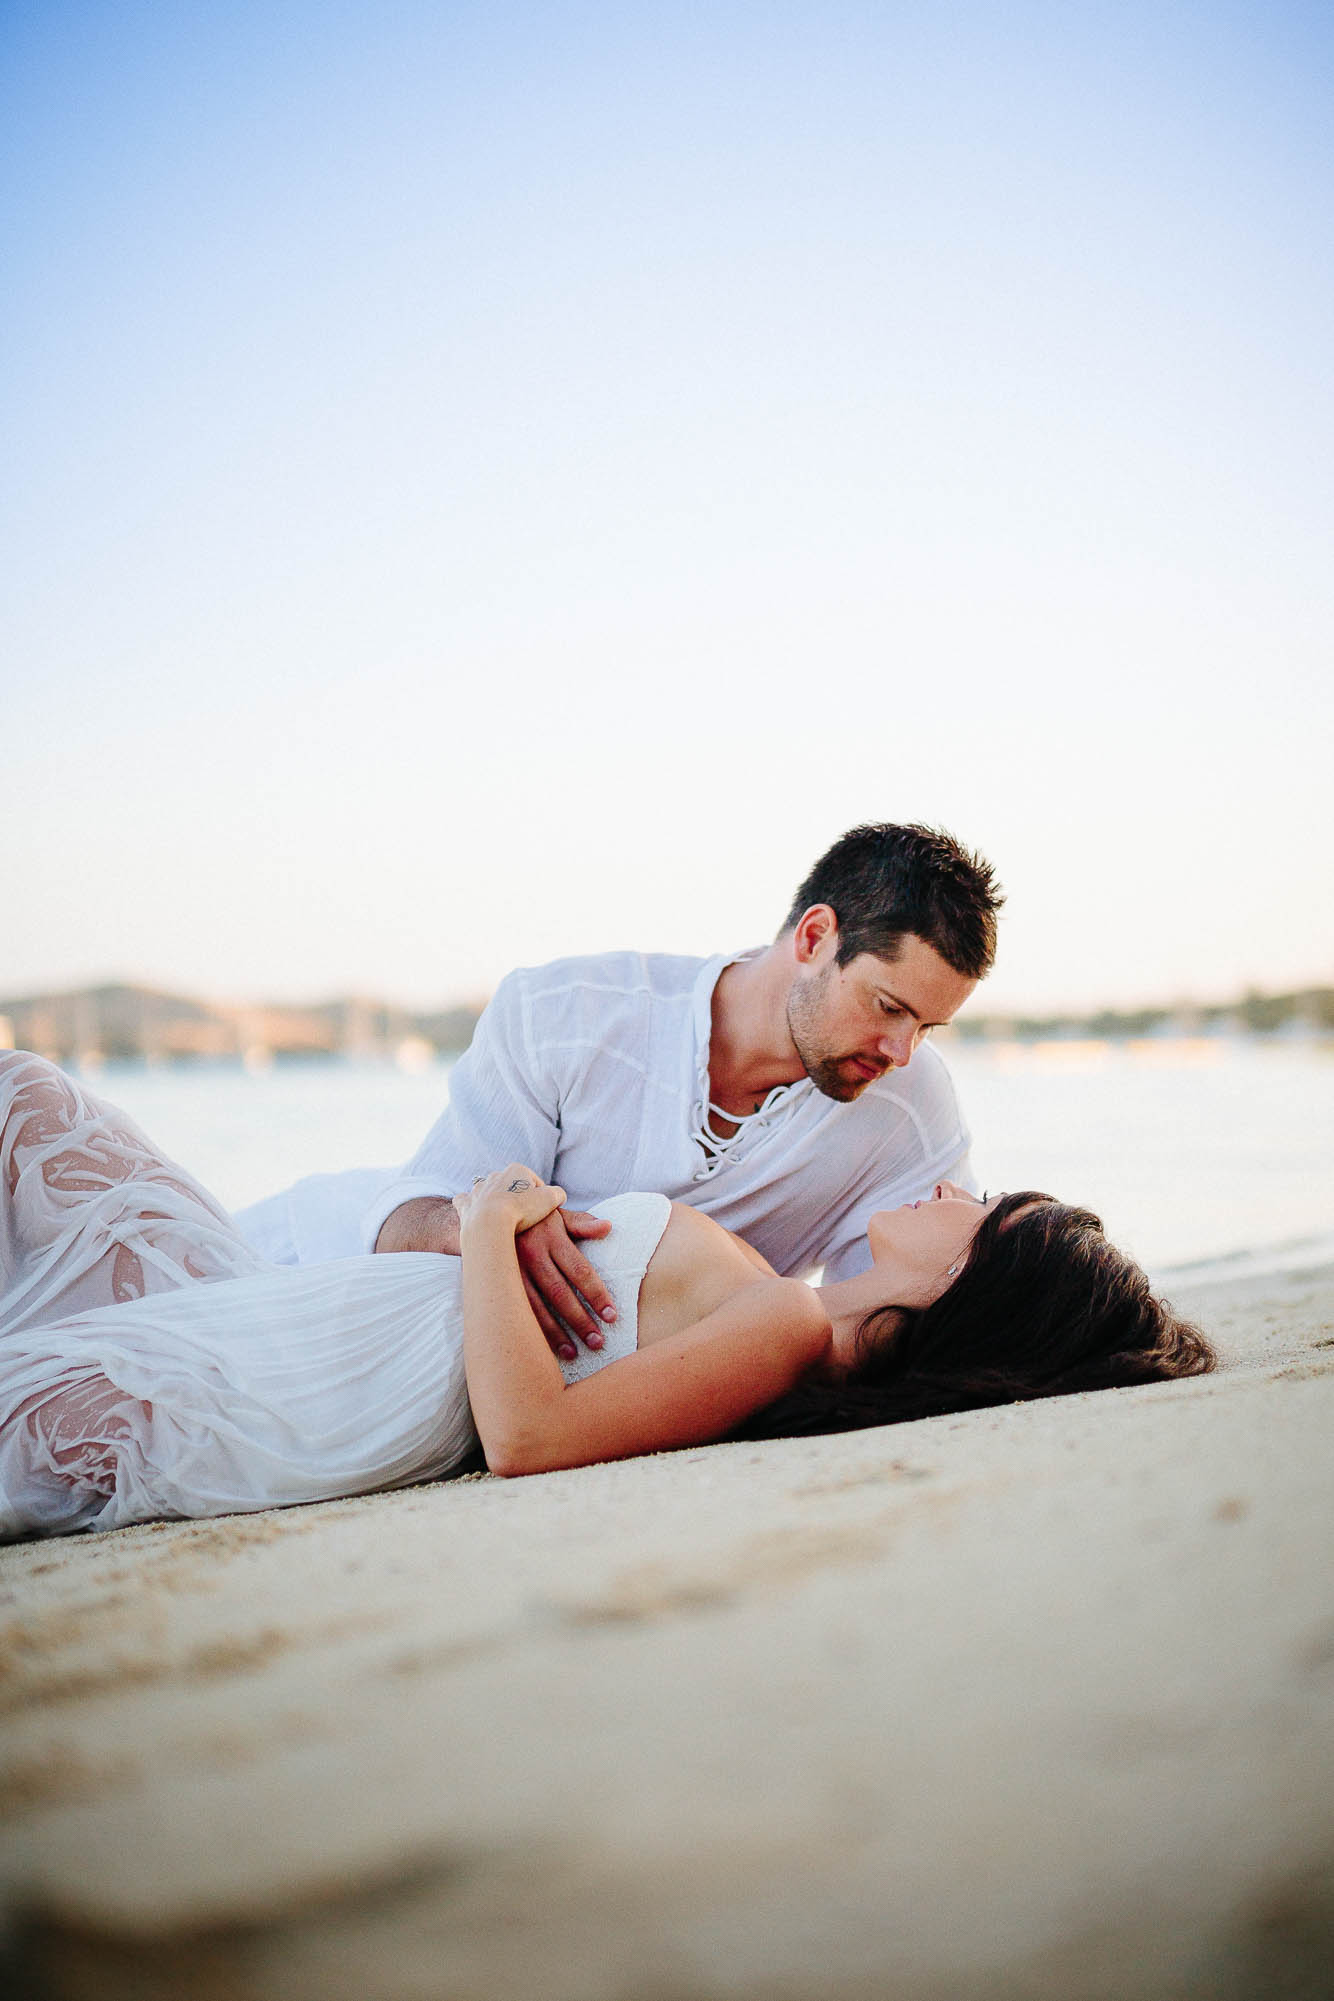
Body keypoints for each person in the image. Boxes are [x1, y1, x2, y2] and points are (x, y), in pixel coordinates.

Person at [0, 1052, 1214, 1539]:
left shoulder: (790, 1328)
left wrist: (489, 1221)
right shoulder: (776, 1312)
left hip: (327, 1378)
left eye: (978, 1210)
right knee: (28, 1106)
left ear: (967, 1278)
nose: (954, 1188)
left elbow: (531, 1441)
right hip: (319, 1333)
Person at [235, 824, 1004, 1361]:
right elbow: (404, 1217)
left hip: (481, 1380)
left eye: (928, 1027)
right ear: (813, 939)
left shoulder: (908, 1107)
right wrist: (481, 1219)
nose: (902, 1052)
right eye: (888, 1007)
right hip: (301, 1264)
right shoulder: (565, 1011)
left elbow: (899, 1307)